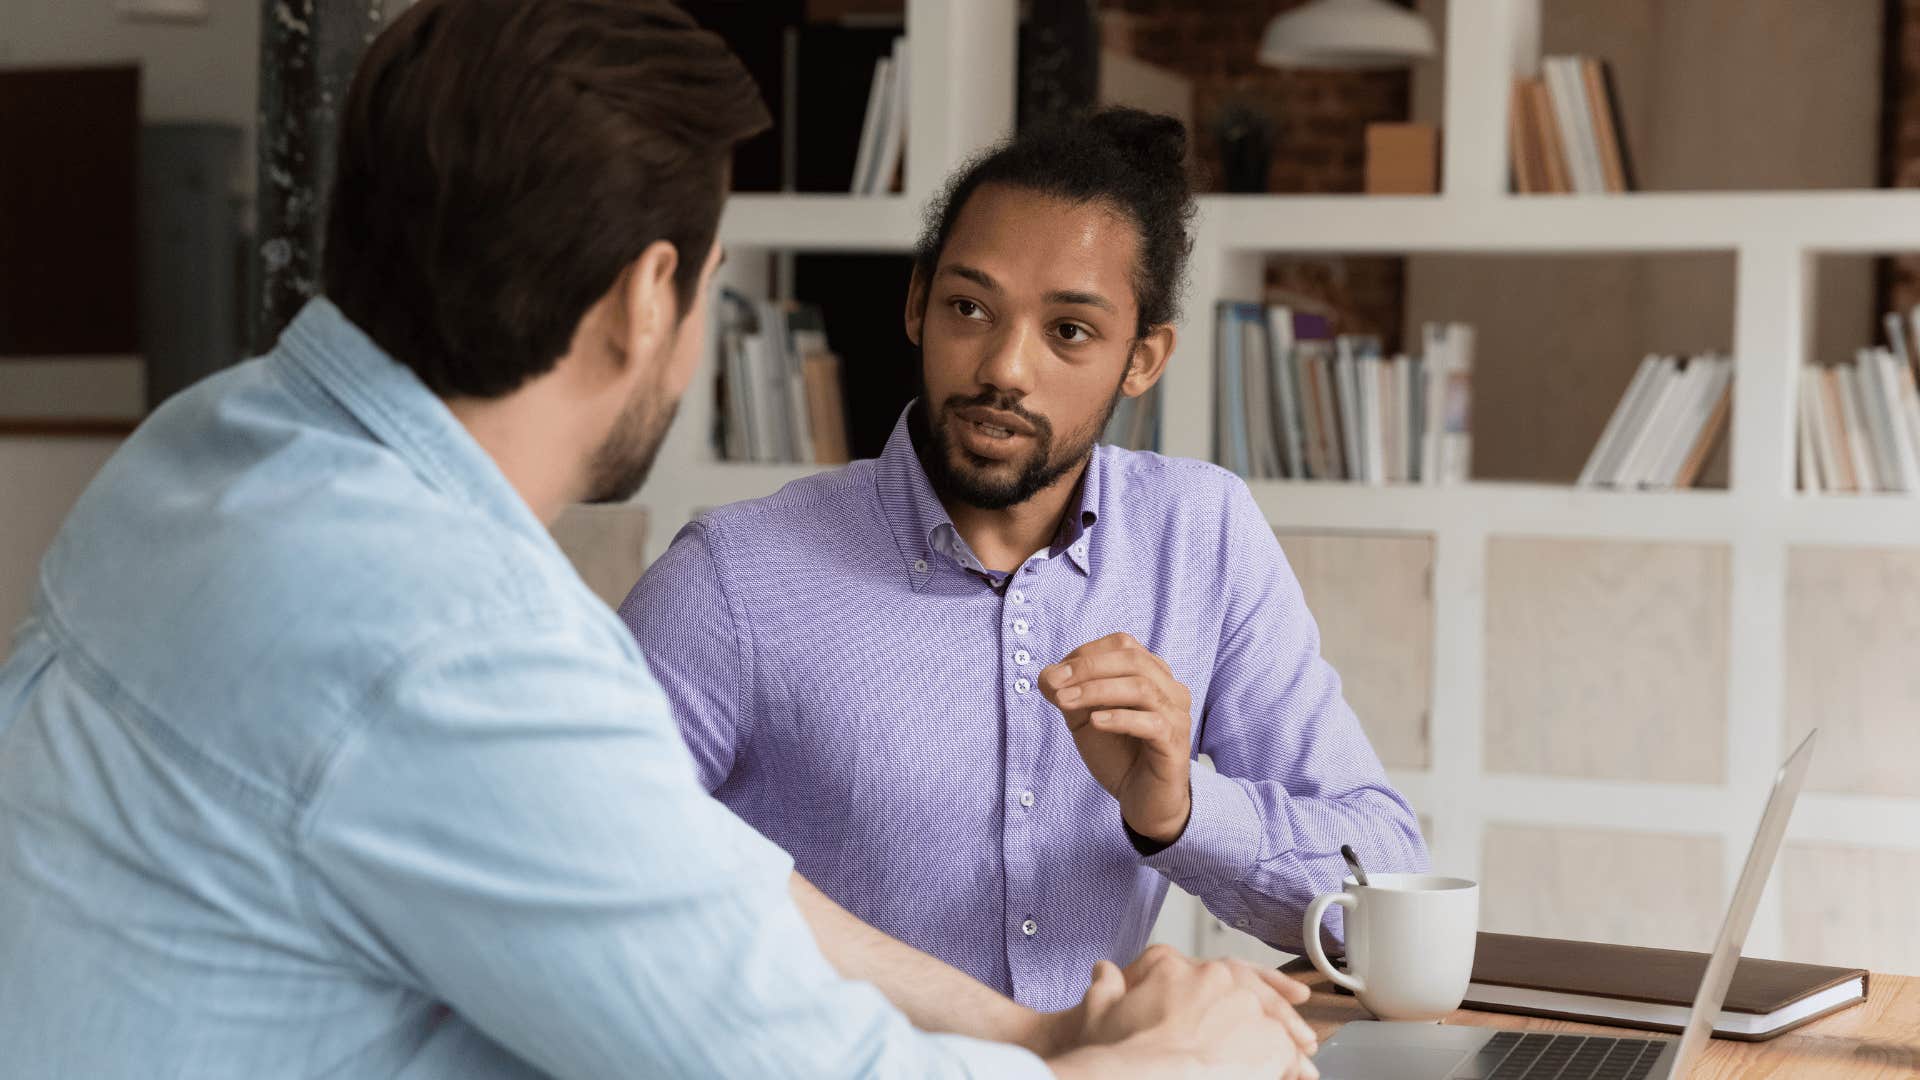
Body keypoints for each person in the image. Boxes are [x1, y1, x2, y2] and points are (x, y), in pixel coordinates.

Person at [0, 3, 1320, 1077]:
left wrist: (1035, 1032)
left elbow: (683, 880)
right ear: (649, 298)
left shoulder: (214, 442)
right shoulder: (454, 646)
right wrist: (1165, 1064)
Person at [621, 106, 1430, 1011]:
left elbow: (1388, 892)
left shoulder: (1200, 537)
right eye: (971, 308)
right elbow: (586, 889)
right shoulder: (731, 578)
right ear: (918, 302)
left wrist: (1180, 814)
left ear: (1143, 359)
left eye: (1070, 332)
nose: (1005, 366)